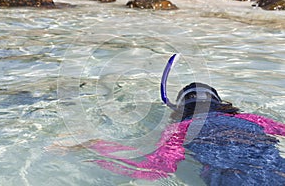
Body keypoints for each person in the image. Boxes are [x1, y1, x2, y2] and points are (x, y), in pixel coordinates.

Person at [86, 54, 285, 185]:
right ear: (221, 103)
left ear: (180, 109)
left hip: (231, 177)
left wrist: (95, 146)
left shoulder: (182, 128)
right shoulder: (253, 119)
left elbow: (156, 169)